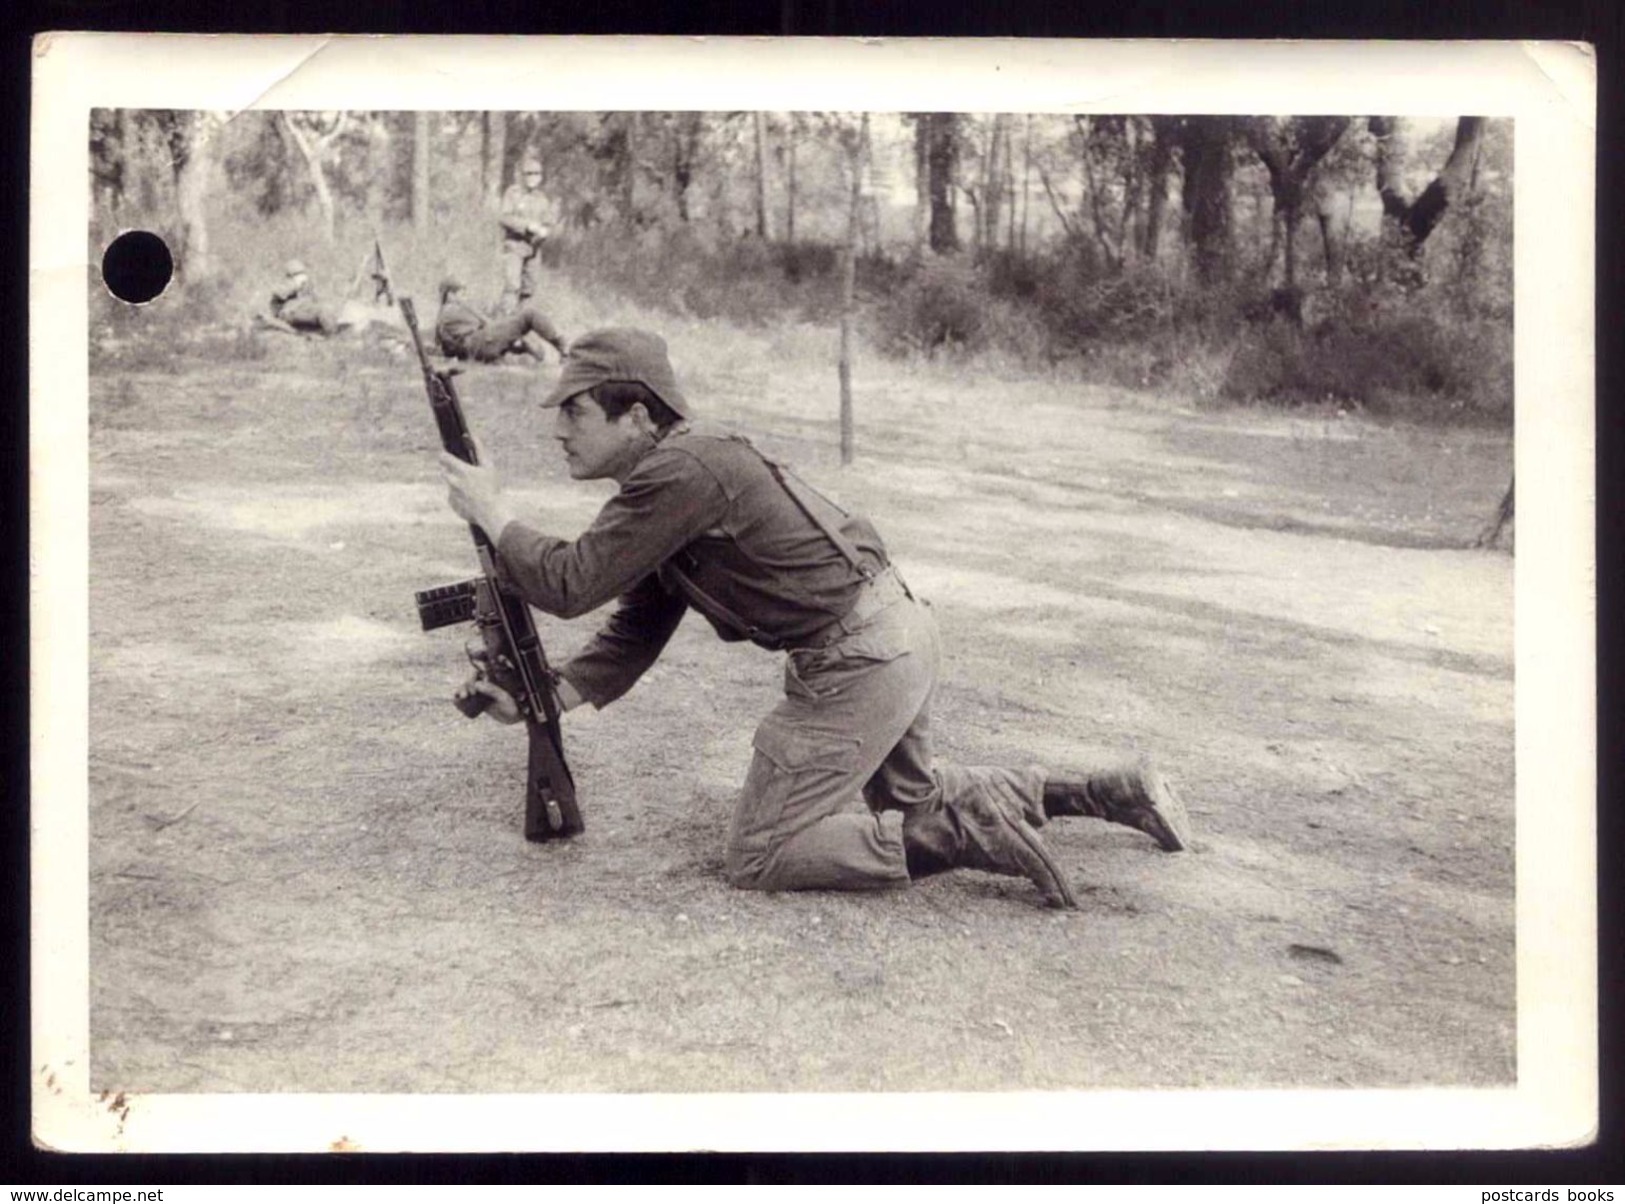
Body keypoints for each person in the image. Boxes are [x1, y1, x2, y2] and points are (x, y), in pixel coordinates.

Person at [439, 329, 1193, 909]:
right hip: (892, 637)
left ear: (635, 415)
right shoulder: (678, 471)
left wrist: (495, 514)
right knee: (905, 802)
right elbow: (639, 622)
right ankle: (1104, 791)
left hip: (858, 660)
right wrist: (549, 696)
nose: (559, 431)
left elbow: (569, 584)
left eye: (574, 411)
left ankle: (967, 834)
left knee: (762, 852)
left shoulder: (679, 470)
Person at [434, 276, 568, 365]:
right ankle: (563, 348)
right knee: (529, 314)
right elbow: (483, 323)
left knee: (516, 338)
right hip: (480, 343)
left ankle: (524, 351)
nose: (466, 297)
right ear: (450, 295)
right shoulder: (451, 310)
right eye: (462, 293)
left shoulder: (446, 313)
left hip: (478, 346)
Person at [498, 154, 560, 312]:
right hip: (514, 246)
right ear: (522, 175)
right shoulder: (513, 193)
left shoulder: (542, 199)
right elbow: (504, 217)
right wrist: (527, 226)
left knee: (529, 288)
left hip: (533, 249)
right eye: (529, 173)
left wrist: (546, 231)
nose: (533, 177)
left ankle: (521, 325)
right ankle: (505, 324)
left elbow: (549, 222)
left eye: (537, 174)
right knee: (512, 286)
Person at [266, 258, 339, 335]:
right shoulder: (285, 284)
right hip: (289, 313)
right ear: (291, 275)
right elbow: (280, 294)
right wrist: (296, 284)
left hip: (304, 310)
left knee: (325, 309)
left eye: (302, 273)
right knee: (322, 311)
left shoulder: (306, 286)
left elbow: (314, 299)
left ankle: (328, 332)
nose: (303, 277)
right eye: (298, 274)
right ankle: (330, 335)